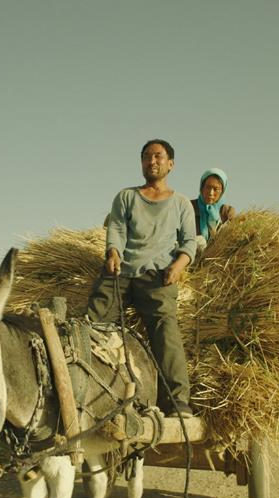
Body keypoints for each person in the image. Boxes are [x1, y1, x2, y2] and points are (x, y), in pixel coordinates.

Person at [86, 139, 196, 418]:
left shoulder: (181, 203)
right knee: (92, 324)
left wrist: (178, 265)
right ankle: (85, 391)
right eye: (147, 157)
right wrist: (112, 253)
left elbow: (189, 243)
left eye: (158, 156)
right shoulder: (125, 197)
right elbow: (117, 230)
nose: (152, 161)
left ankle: (177, 401)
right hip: (121, 272)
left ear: (170, 164)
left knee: (165, 329)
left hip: (157, 275)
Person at [191, 167, 236, 253]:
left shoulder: (227, 211)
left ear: (222, 191)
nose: (211, 193)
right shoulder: (190, 207)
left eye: (216, 189)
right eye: (208, 187)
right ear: (202, 187)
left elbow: (231, 238)